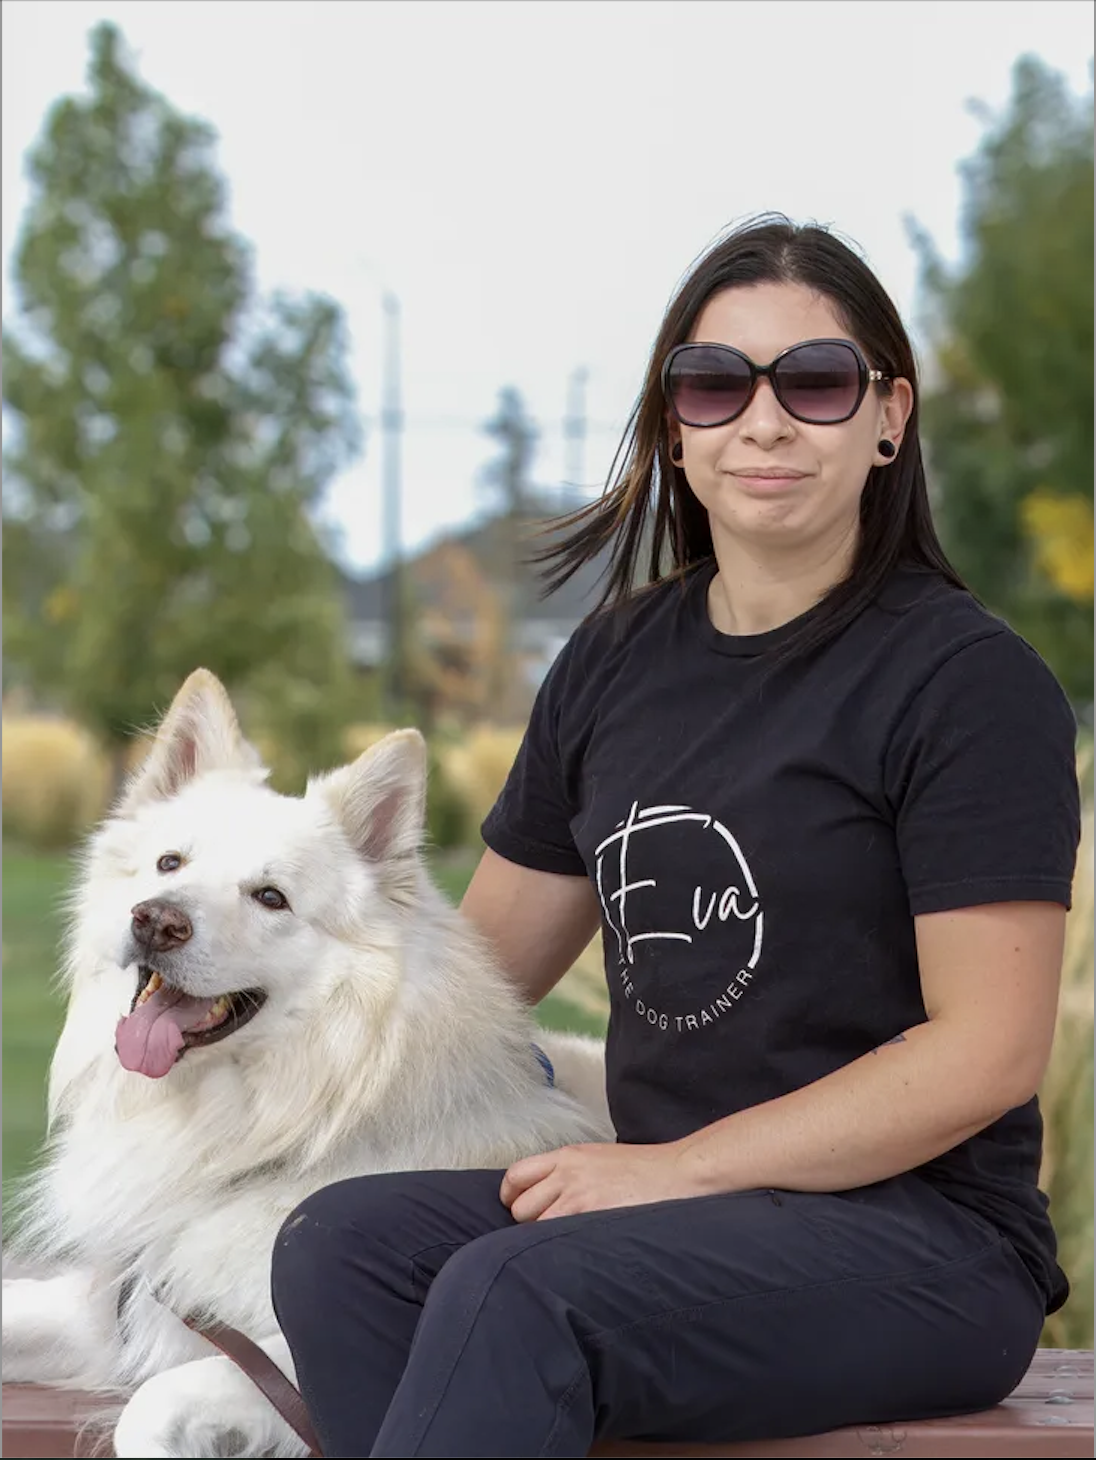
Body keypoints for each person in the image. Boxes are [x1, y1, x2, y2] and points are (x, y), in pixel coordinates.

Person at [270, 215, 1081, 1459]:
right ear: (674, 425)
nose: (762, 420)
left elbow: (985, 1053)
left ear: (887, 417)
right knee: (342, 1246)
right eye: (715, 383)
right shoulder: (614, 660)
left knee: (513, 1287)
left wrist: (677, 1168)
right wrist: (243, 977)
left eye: (812, 381)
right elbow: (472, 982)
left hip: (927, 1244)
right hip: (680, 1220)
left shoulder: (964, 682)